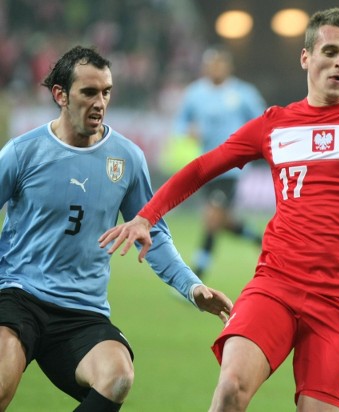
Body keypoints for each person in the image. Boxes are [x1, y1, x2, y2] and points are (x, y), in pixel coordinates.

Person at [100, 8, 339, 412]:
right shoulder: (275, 125)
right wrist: (147, 215)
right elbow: (202, 167)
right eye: (331, 50)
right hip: (277, 283)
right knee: (231, 386)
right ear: (306, 57)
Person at [0, 46, 232, 412]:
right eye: (88, 92)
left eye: (106, 92)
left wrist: (192, 286)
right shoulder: (23, 153)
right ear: (60, 95)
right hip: (18, 295)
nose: (100, 102)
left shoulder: (126, 158)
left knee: (118, 376)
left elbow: (151, 233)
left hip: (82, 309)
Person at [173, 46, 266, 279]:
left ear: (228, 67)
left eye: (220, 64)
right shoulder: (194, 94)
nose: (216, 68)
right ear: (205, 68)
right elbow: (181, 122)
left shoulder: (243, 93)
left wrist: (250, 145)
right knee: (221, 220)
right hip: (206, 165)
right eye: (212, 64)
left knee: (212, 217)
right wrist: (188, 130)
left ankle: (197, 274)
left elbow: (263, 120)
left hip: (232, 167)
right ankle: (258, 239)